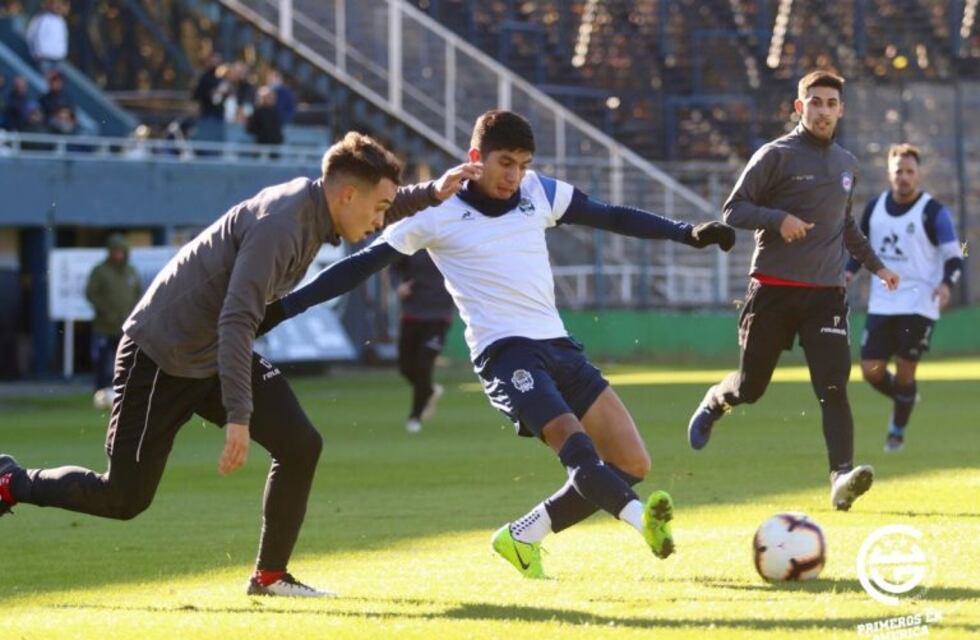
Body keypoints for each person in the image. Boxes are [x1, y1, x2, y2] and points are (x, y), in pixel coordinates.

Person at [256, 109, 737, 578]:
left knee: (632, 462)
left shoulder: (538, 192)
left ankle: (522, 537)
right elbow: (359, 265)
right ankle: (643, 523)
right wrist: (286, 307)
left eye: (523, 164)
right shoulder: (437, 212)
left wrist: (685, 232)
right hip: (507, 354)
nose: (515, 175)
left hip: (559, 346)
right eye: (505, 162)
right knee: (581, 455)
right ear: (476, 156)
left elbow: (609, 215)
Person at [0, 132, 480, 596]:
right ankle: (9, 482)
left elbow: (380, 202)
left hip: (211, 349)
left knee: (300, 445)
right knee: (123, 498)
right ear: (348, 195)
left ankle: (270, 578)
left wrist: (432, 193)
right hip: (161, 354)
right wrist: (238, 417)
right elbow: (236, 320)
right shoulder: (283, 225)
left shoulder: (324, 205)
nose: (380, 221)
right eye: (378, 209)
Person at [686, 70, 901, 512]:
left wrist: (878, 266)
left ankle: (841, 476)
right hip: (773, 290)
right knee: (752, 388)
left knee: (834, 387)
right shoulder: (775, 155)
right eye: (815, 102)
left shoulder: (847, 164)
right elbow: (734, 210)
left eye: (831, 103)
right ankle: (717, 398)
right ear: (799, 107)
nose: (823, 110)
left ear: (841, 110)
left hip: (824, 295)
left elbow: (845, 227)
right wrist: (778, 219)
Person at [845, 144, 965, 452]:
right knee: (870, 370)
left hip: (919, 303)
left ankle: (896, 432)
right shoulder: (875, 208)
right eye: (898, 171)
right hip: (883, 301)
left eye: (910, 172)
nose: (904, 177)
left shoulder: (933, 212)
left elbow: (955, 257)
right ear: (889, 173)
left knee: (905, 368)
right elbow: (861, 249)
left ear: (919, 175)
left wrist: (946, 285)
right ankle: (906, 395)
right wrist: (848, 273)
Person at [390, 250, 454, 433]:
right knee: (405, 367)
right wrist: (399, 286)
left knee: (423, 365)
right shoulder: (413, 241)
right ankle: (429, 390)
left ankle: (415, 416)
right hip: (412, 313)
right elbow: (394, 269)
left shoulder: (449, 242)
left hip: (439, 315)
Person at [85, 233, 142, 409]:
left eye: (121, 251)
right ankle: (99, 395)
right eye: (115, 251)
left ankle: (126, 394)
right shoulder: (100, 271)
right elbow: (91, 294)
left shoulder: (131, 271)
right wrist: (105, 311)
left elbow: (138, 295)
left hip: (125, 328)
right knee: (102, 362)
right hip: (104, 326)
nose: (119, 254)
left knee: (126, 362)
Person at [26, 0, 68, 74]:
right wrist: (35, 53)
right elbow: (31, 36)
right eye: (54, 4)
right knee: (43, 83)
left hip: (58, 60)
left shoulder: (61, 21)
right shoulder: (40, 18)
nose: (57, 7)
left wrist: (62, 54)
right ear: (49, 5)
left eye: (59, 4)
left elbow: (63, 39)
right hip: (44, 59)